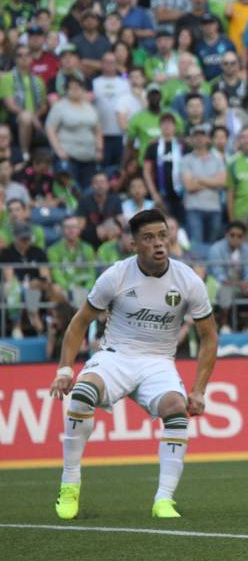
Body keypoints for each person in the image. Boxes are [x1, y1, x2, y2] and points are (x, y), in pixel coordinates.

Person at [49, 209, 219, 520]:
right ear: (133, 245)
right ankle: (69, 485)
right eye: (149, 238)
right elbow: (78, 324)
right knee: (83, 392)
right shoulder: (116, 275)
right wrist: (64, 370)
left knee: (176, 410)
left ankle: (163, 501)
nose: (158, 244)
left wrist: (199, 390)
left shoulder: (188, 280)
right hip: (116, 355)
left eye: (162, 236)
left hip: (159, 362)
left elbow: (209, 337)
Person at [180, 124, 226, 251]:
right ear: (192, 139)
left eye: (203, 135)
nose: (200, 139)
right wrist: (212, 181)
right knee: (196, 246)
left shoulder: (217, 159)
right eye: (196, 136)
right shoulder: (186, 160)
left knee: (213, 246)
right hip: (193, 208)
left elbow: (222, 182)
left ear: (208, 139)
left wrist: (199, 179)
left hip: (214, 208)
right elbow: (189, 186)